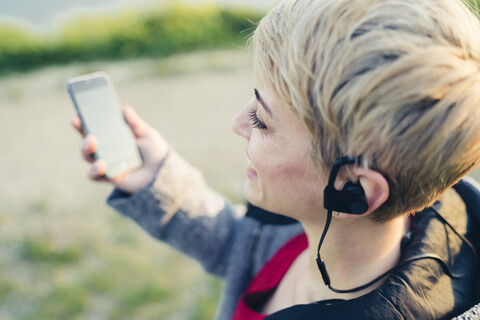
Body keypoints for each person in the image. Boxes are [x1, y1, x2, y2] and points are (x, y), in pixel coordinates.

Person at [72, 0, 480, 318]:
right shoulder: (310, 228)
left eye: (261, 120)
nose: (238, 123)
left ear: (351, 188)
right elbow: (243, 250)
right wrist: (155, 179)